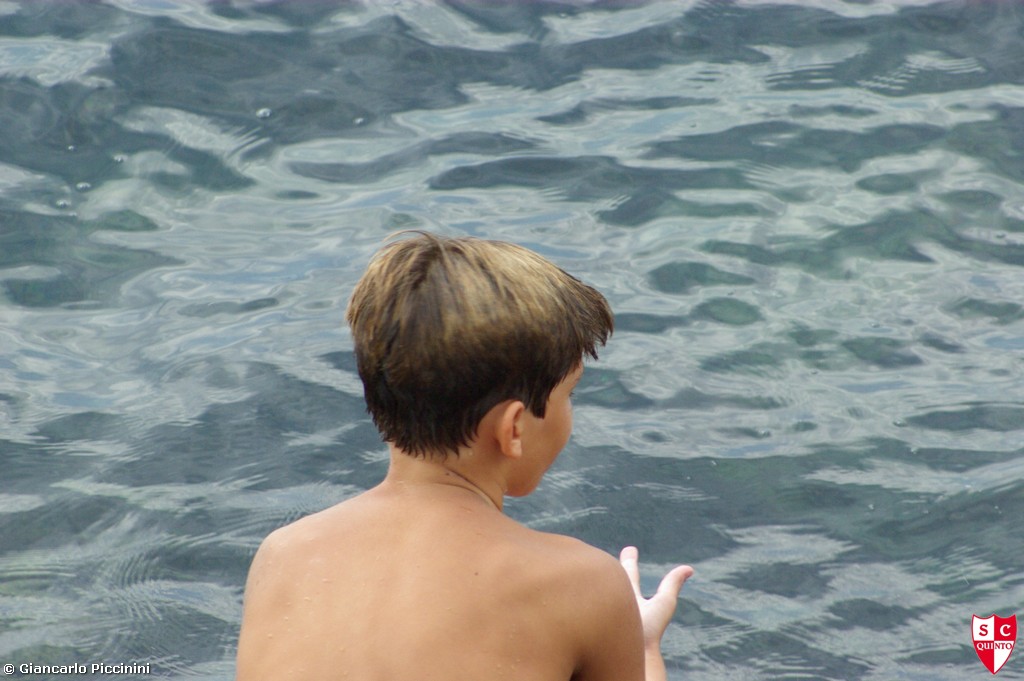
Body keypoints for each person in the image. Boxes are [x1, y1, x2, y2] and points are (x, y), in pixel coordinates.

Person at [236, 232, 693, 681]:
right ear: (513, 429)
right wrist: (643, 646)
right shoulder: (581, 584)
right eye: (569, 394)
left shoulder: (284, 554)